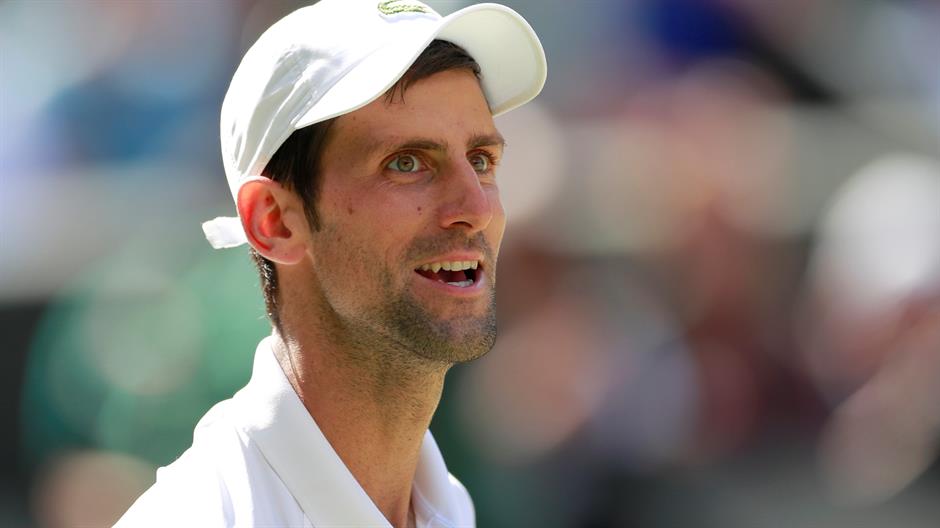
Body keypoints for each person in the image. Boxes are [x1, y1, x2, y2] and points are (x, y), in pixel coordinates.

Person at [114, 0, 546, 527]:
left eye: (481, 160)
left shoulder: (448, 506)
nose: (476, 209)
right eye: (406, 164)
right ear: (273, 221)